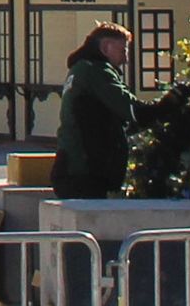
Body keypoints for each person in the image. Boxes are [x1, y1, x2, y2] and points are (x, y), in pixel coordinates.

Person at [51, 25, 143, 199]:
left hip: (71, 168)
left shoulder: (79, 69)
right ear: (106, 47)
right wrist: (171, 103)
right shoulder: (95, 71)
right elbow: (134, 111)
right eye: (122, 50)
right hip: (84, 172)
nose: (125, 59)